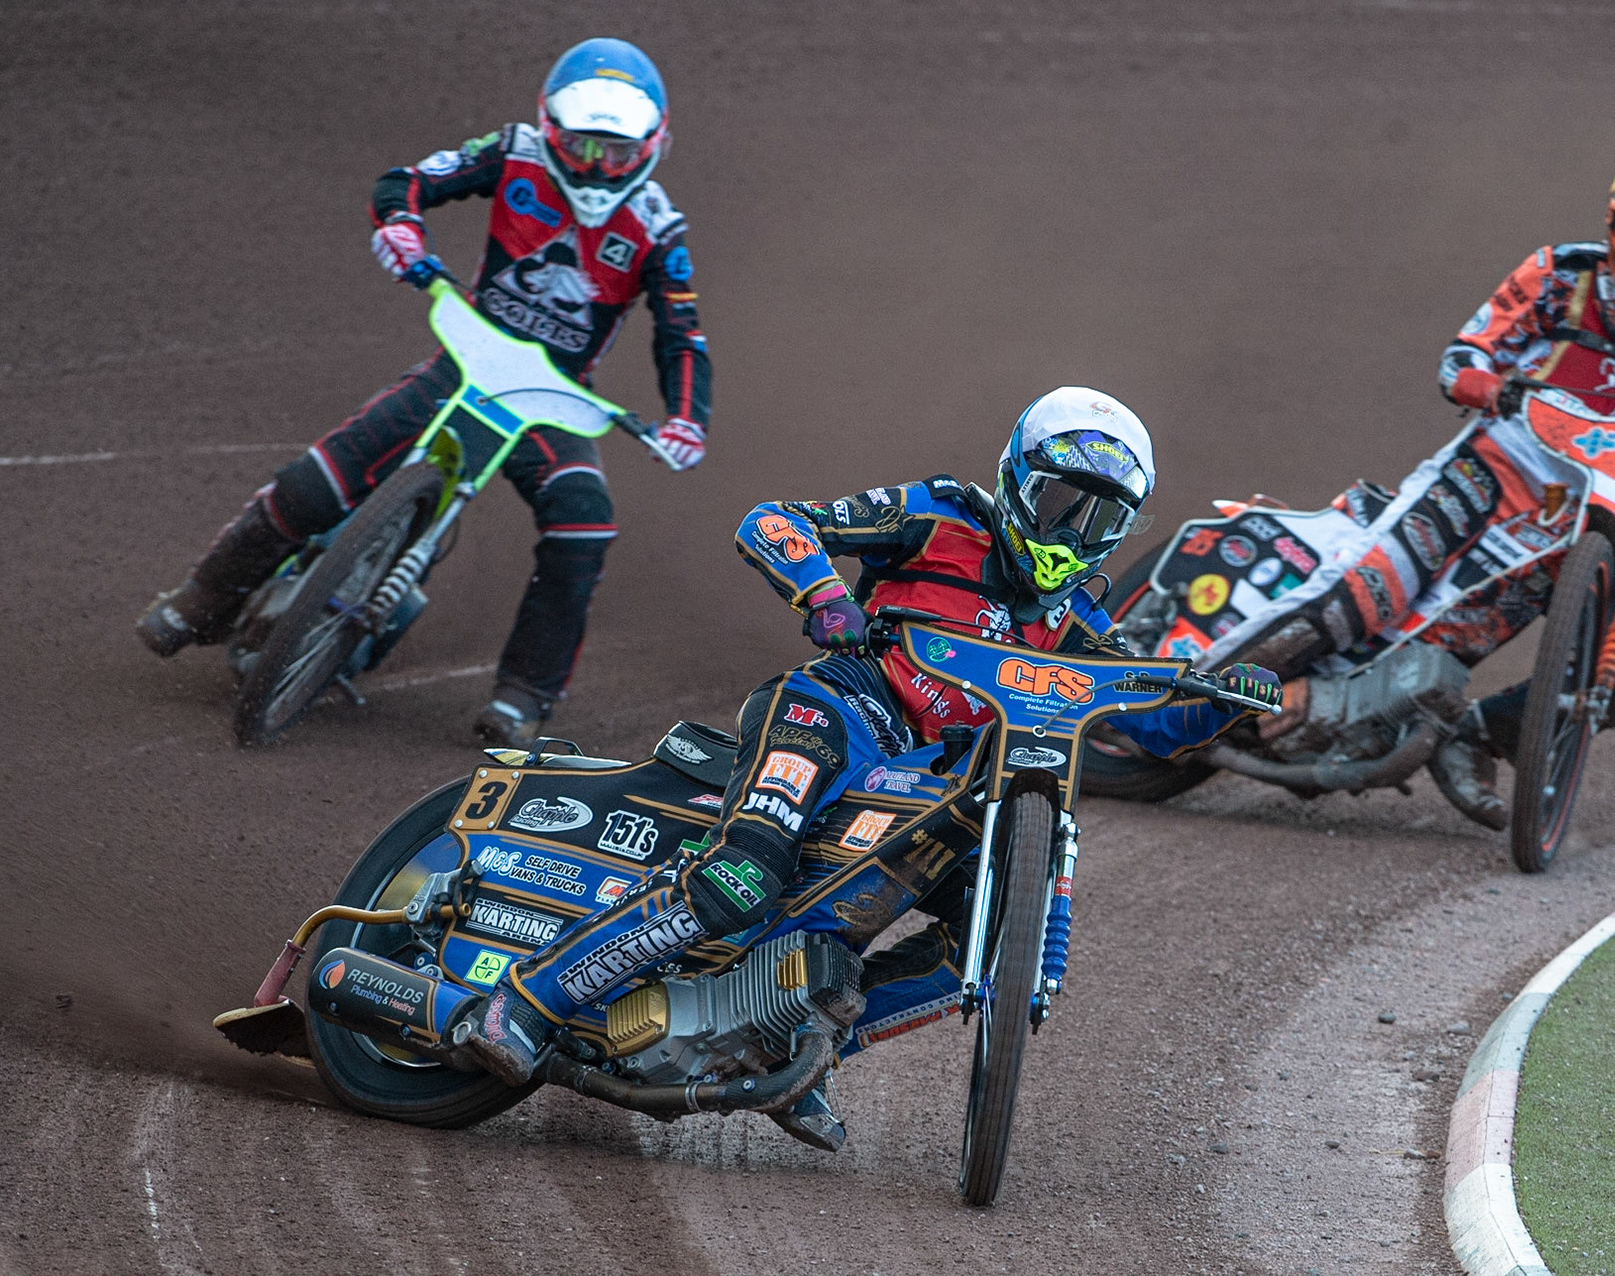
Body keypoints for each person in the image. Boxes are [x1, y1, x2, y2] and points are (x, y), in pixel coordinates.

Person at [460, 387, 1285, 1148]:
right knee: (738, 878)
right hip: (839, 711)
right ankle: (529, 1001)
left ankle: (797, 1048)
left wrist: (1222, 701)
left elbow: (1152, 722)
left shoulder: (1079, 622)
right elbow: (774, 521)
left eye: (1099, 519)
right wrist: (823, 594)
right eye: (1061, 502)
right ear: (1016, 479)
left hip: (932, 782)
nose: (1071, 534)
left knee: (989, 943)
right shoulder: (939, 515)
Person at [1233, 140, 1615, 829]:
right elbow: (1470, 349)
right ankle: (1182, 700)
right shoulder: (1560, 274)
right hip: (1494, 471)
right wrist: (1478, 377)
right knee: (1365, 598)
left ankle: (1474, 735)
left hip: (1594, 520)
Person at [135, 38, 711, 746]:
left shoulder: (659, 228)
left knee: (584, 524)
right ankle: (200, 599)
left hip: (551, 398)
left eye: (616, 154)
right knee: (321, 480)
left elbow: (680, 334)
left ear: (653, 145)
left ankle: (525, 695)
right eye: (584, 148)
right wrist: (402, 228)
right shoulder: (514, 151)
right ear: (550, 128)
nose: (597, 168)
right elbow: (405, 180)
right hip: (466, 355)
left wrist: (687, 420)